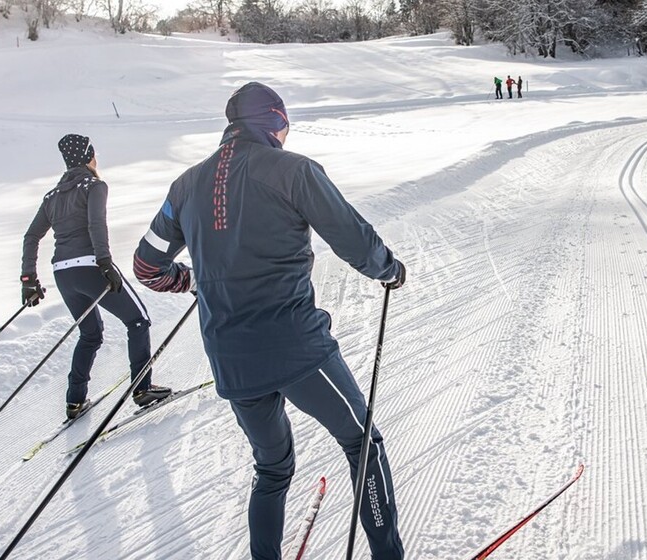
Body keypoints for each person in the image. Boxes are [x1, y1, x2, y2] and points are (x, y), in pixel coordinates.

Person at [133, 82, 406, 560]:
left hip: (231, 360)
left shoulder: (185, 185)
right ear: (276, 121)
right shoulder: (293, 169)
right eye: (284, 123)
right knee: (363, 444)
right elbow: (353, 240)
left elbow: (146, 268)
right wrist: (389, 269)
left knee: (273, 469)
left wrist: (194, 281)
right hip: (296, 347)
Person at [21, 133, 172, 419]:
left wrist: (28, 279)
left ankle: (75, 401)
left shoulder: (52, 196)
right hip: (91, 266)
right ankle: (143, 388)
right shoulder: (94, 185)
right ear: (89, 156)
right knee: (138, 320)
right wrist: (104, 262)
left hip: (63, 274)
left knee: (90, 334)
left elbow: (31, 236)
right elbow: (96, 224)